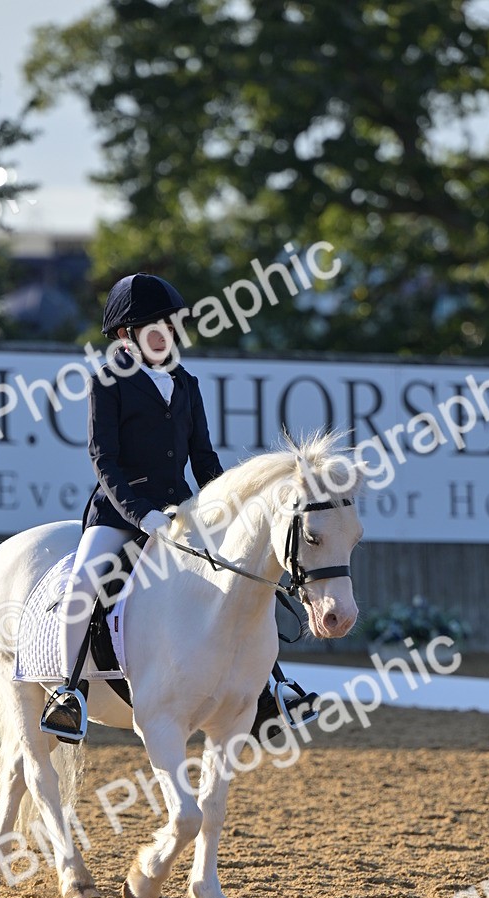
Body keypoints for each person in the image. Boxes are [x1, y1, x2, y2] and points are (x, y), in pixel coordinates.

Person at [39, 271, 315, 743]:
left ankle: (273, 687)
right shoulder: (107, 382)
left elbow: (203, 457)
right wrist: (141, 514)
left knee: (244, 576)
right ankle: (69, 692)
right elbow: (104, 461)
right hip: (120, 514)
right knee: (83, 585)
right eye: (155, 326)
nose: (166, 334)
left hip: (183, 511)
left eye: (170, 325)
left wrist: (231, 505)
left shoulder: (185, 383)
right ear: (126, 334)